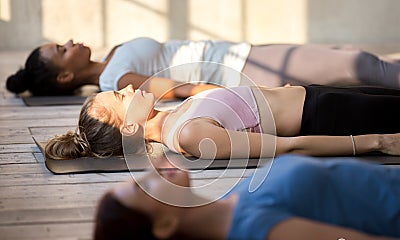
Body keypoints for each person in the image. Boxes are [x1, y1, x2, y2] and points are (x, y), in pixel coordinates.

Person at [93, 154, 400, 240]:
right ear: (163, 226)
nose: (152, 172)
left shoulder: (233, 199)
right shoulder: (258, 233)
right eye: (144, 187)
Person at [45, 83, 400, 160]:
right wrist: (378, 142)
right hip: (328, 116)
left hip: (319, 95)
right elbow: (291, 146)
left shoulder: (174, 114)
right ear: (129, 128)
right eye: (121, 97)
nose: (127, 88)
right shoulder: (189, 135)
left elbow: (238, 102)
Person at [6, 37, 400, 97]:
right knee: (361, 66)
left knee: (354, 62)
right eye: (62, 49)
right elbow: (178, 89)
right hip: (246, 71)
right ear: (64, 76)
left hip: (244, 52)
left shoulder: (114, 54)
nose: (71, 41)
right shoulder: (115, 79)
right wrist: (250, 99)